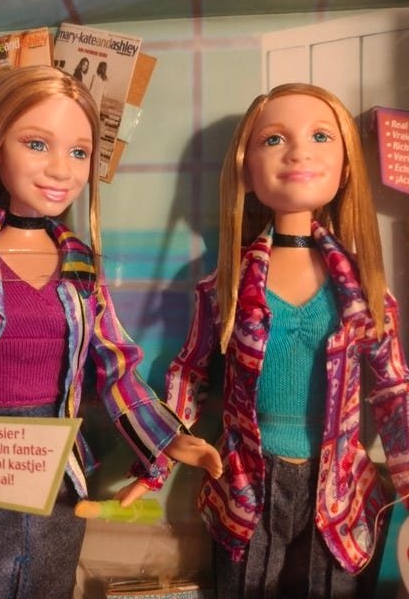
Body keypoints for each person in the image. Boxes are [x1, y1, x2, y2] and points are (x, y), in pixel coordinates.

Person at [0, 65, 222, 598]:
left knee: (48, 580)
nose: (60, 169)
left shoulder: (80, 269)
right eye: (36, 144)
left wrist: (165, 436)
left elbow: (115, 366)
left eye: (79, 152)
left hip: (57, 472)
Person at [165, 82, 409, 598]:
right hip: (245, 485)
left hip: (338, 490)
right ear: (247, 170)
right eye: (273, 139)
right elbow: (191, 369)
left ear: (346, 167)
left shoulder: (365, 290)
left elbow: (393, 391)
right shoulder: (226, 285)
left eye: (321, 136)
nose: (298, 152)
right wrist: (165, 441)